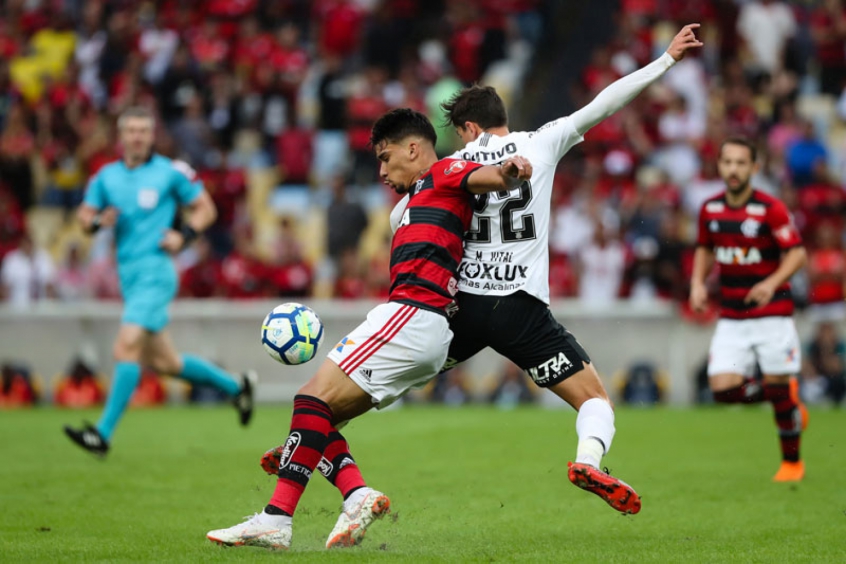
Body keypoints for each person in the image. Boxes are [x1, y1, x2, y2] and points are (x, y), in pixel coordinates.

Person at [362, 23, 701, 515]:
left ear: (469, 129)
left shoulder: (451, 166)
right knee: (594, 400)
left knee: (392, 377)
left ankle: (321, 435)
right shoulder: (541, 142)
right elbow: (605, 102)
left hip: (463, 307)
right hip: (520, 307)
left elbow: (402, 217)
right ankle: (589, 461)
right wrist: (665, 59)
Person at [206, 108, 533, 550]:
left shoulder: (443, 172)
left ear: (413, 149)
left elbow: (489, 177)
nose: (380, 170)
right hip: (426, 328)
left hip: (413, 312)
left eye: (385, 157)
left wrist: (510, 171)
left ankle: (276, 520)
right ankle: (357, 495)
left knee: (309, 400)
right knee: (320, 420)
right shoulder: (417, 198)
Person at [63, 106, 256, 457]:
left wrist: (184, 236)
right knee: (168, 364)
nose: (137, 136)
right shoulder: (105, 176)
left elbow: (205, 209)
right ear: (120, 136)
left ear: (152, 135)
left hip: (156, 272)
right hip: (130, 278)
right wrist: (96, 222)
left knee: (126, 347)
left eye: (143, 130)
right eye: (131, 130)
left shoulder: (170, 172)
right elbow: (84, 216)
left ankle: (102, 434)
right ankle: (237, 387)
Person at [690, 137, 809, 482]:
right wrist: (698, 283)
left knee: (776, 387)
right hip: (732, 315)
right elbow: (704, 247)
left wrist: (771, 283)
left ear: (754, 168)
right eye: (728, 162)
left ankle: (791, 464)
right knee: (723, 389)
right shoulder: (710, 209)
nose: (733, 169)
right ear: (719, 167)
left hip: (772, 313)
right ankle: (787, 399)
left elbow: (797, 253)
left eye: (741, 163)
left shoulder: (770, 208)